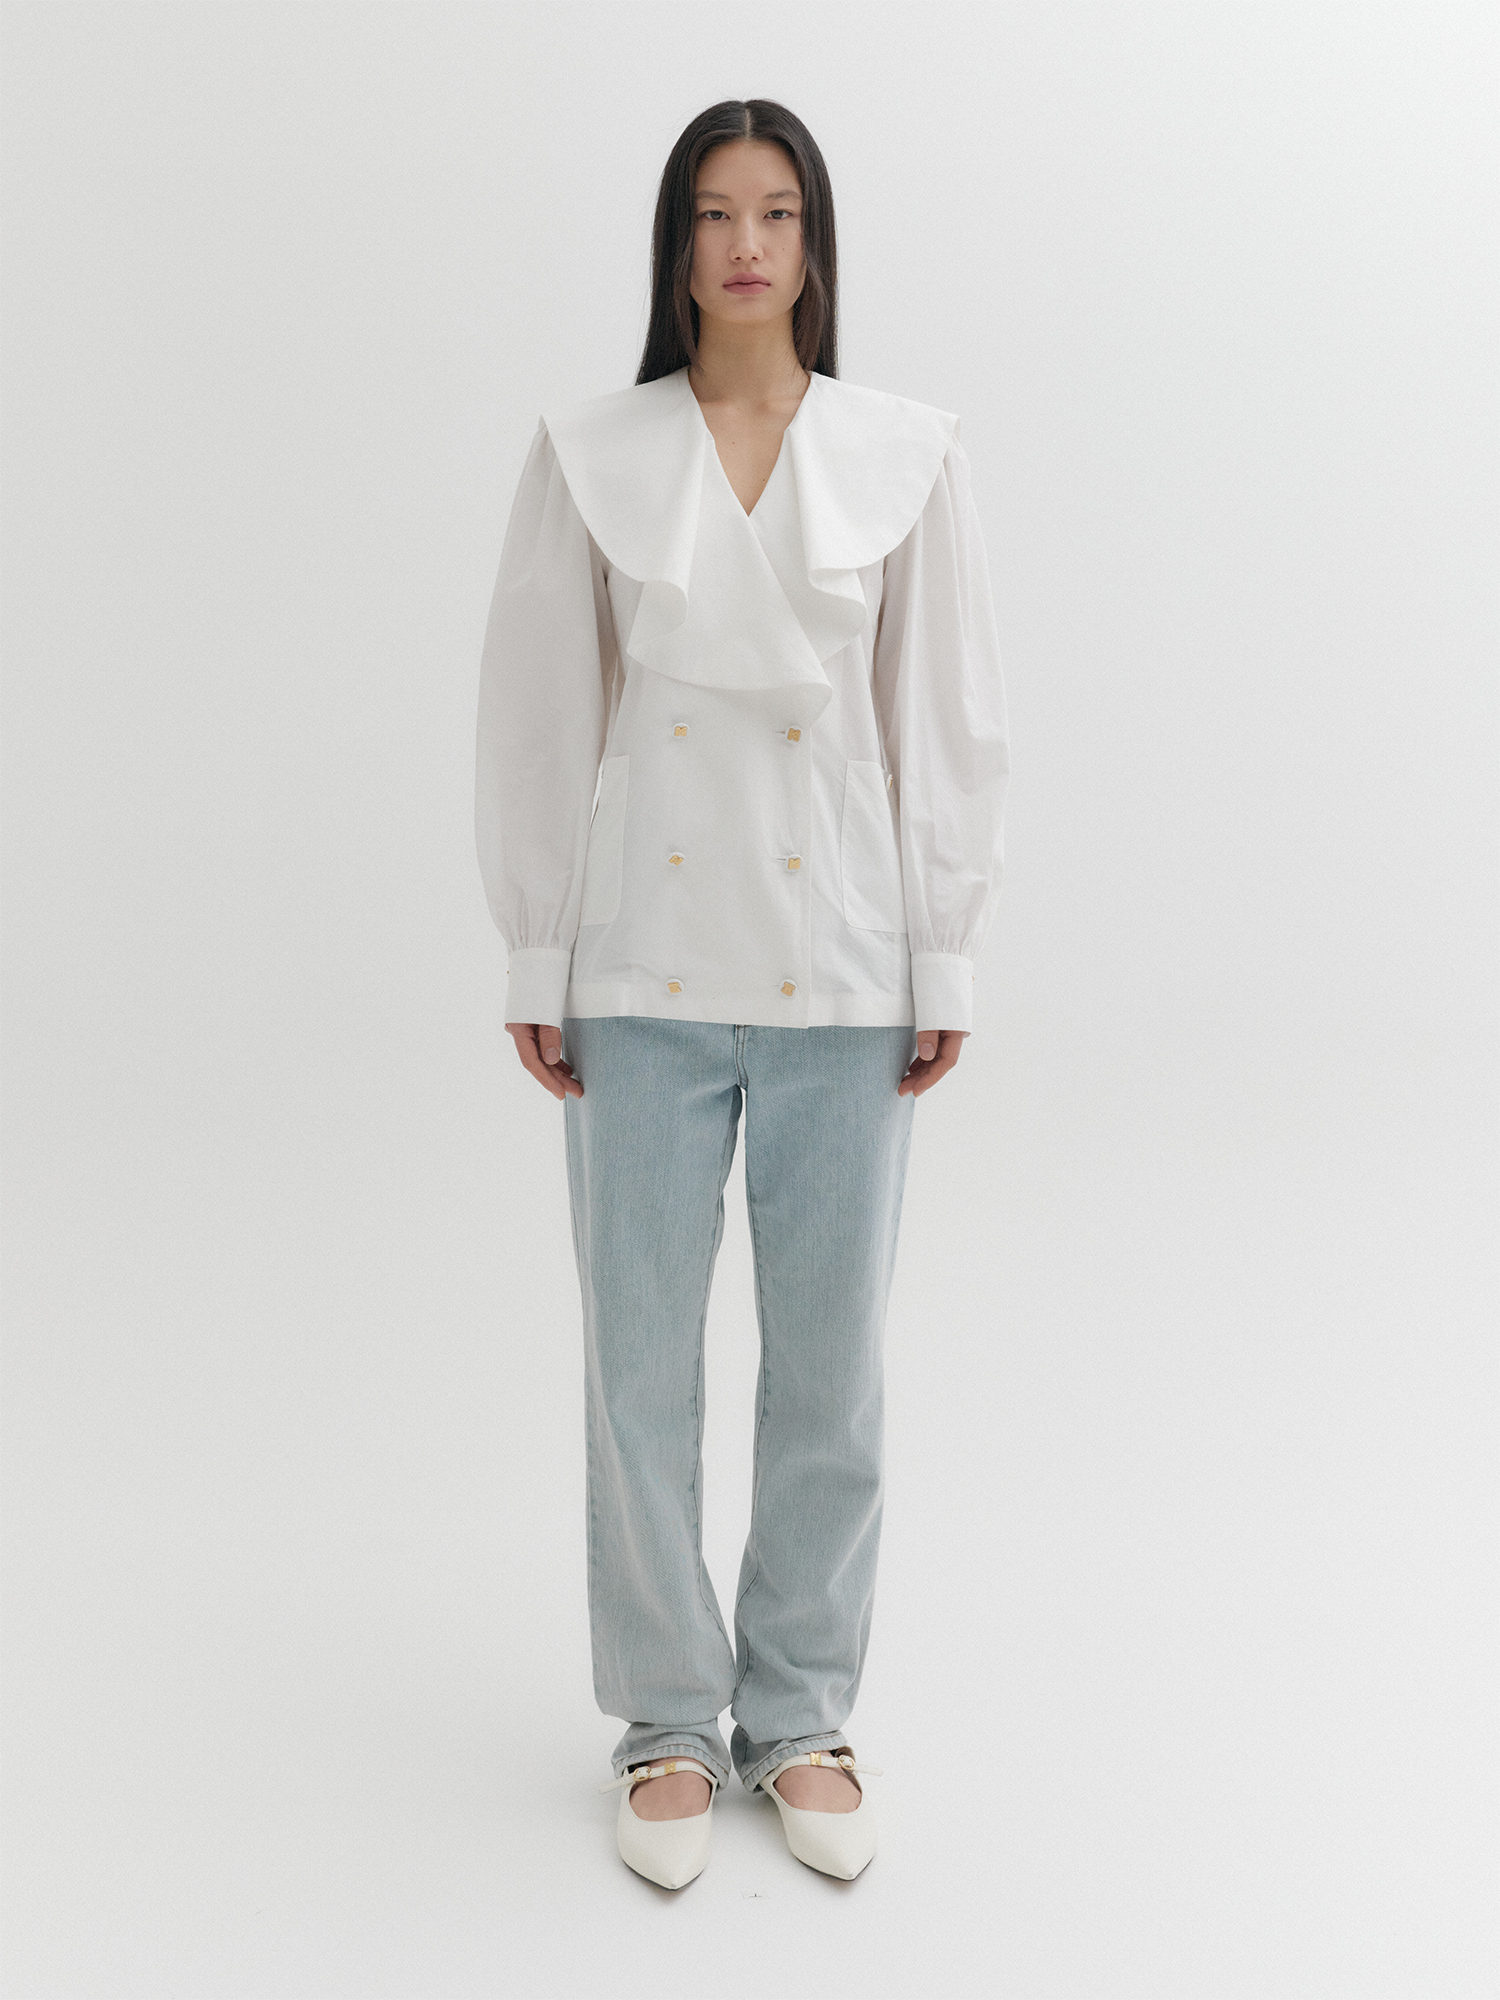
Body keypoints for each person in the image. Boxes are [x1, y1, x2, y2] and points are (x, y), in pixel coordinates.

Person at [474, 98, 1009, 1888]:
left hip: (843, 965)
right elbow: (540, 704)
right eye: (715, 213)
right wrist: (534, 943)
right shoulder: (595, 451)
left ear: (817, 241)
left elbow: (941, 714)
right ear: (676, 245)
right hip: (639, 961)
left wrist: (945, 944)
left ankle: (800, 1715)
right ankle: (663, 1720)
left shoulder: (905, 455)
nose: (747, 245)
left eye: (776, 211)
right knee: (638, 1364)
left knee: (830, 1367)